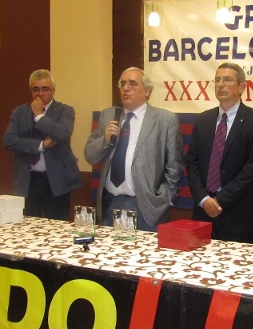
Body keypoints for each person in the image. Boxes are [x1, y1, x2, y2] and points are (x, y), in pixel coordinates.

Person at [84, 67, 184, 231]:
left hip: (146, 205)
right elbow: (90, 156)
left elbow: (175, 165)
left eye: (132, 84)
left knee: (144, 255)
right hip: (110, 201)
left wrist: (166, 199)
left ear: (147, 91)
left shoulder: (165, 120)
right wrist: (105, 139)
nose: (126, 88)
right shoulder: (108, 115)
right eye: (122, 84)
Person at [186, 62, 253, 243]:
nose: (220, 84)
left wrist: (219, 200)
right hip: (203, 212)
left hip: (238, 214)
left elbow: (252, 169)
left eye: (227, 80)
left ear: (241, 87)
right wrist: (203, 199)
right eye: (217, 80)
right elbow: (192, 163)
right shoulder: (203, 120)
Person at [3, 69, 83, 221]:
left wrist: (39, 116)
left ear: (53, 90)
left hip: (56, 181)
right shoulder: (19, 112)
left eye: (45, 89)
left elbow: (63, 133)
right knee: (27, 226)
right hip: (28, 180)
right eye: (36, 89)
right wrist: (41, 145)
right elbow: (9, 141)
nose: (40, 94)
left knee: (58, 227)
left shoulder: (64, 110)